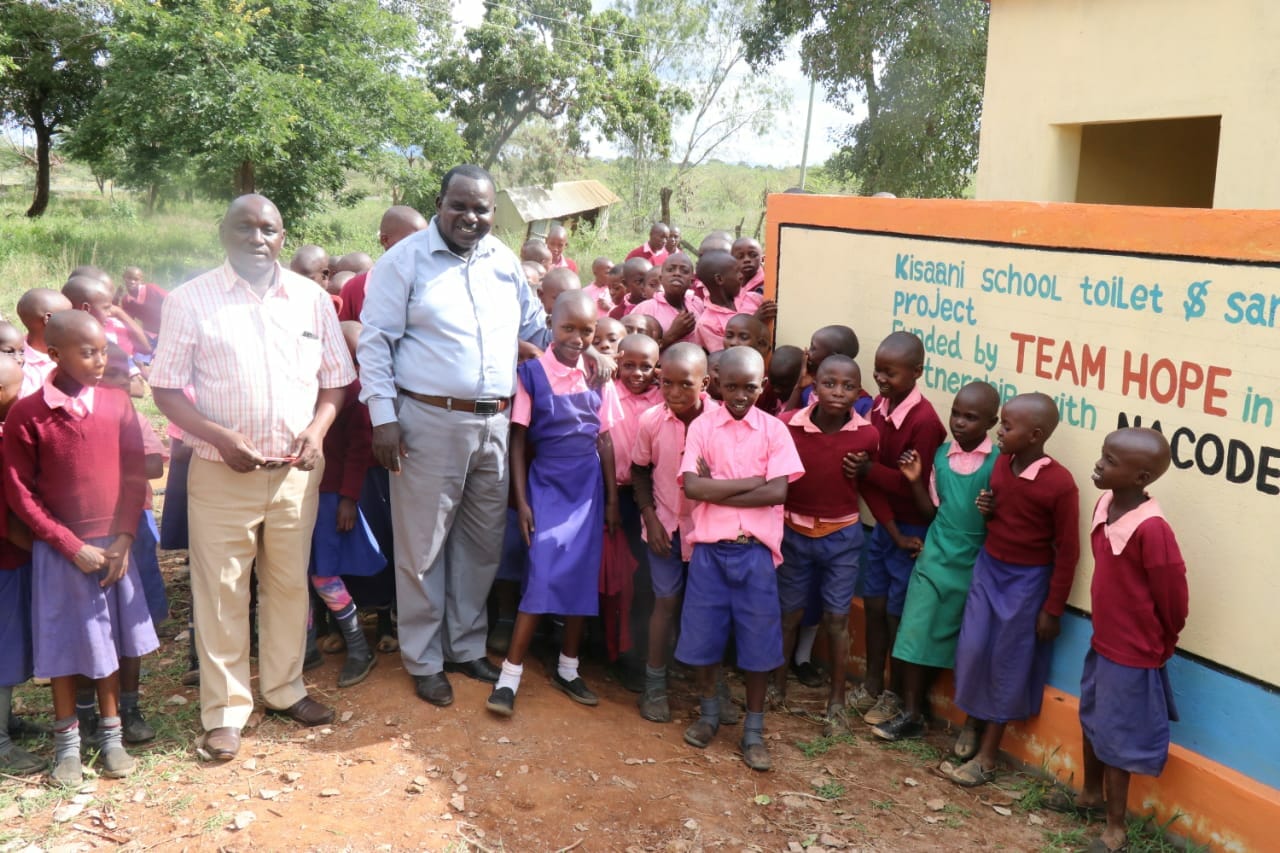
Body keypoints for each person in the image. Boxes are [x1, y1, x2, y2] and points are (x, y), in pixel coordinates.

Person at [150, 193, 355, 762]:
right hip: (221, 472)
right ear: (225, 232)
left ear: (282, 236)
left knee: (289, 585)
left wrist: (318, 431)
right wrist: (217, 437)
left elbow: (336, 379)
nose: (257, 237)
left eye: (268, 228)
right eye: (245, 227)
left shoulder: (312, 299)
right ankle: (224, 712)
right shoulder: (191, 300)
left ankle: (286, 689)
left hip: (295, 475)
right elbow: (165, 388)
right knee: (221, 592)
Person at [358, 165, 554, 708]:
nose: (471, 217)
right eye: (460, 206)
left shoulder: (503, 261)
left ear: (495, 212)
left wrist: (585, 351)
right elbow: (374, 344)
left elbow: (535, 327)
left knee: (480, 543)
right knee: (422, 546)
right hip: (426, 420)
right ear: (439, 203)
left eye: (482, 209)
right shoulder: (404, 262)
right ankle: (423, 659)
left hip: (496, 421)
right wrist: (382, 416)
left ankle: (464, 646)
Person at [4, 311, 155, 784]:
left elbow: (135, 475)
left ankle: (110, 737)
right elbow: (20, 494)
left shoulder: (116, 405)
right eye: (87, 352)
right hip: (61, 551)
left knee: (110, 643)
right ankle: (66, 744)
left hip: (115, 547)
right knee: (65, 646)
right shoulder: (28, 414)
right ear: (53, 354)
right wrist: (70, 546)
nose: (99, 361)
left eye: (103, 352)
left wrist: (126, 536)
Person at [485, 291, 622, 716]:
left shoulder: (598, 375)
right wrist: (522, 502)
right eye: (568, 328)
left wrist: (613, 499)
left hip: (587, 489)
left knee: (582, 578)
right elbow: (519, 440)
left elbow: (605, 439)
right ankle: (509, 676)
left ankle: (568, 667)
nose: (578, 339)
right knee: (542, 574)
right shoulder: (531, 375)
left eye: (587, 331)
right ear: (551, 325)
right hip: (547, 483)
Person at [676, 346, 804, 771]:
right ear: (715, 384)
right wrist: (753, 481)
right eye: (730, 386)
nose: (740, 395)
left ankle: (753, 731)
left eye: (750, 387)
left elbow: (778, 492)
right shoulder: (701, 428)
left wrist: (724, 485)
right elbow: (694, 489)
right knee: (705, 638)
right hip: (710, 552)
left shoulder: (773, 430)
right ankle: (709, 715)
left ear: (762, 387)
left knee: (758, 646)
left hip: (755, 555)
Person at [944, 392, 1080, 786]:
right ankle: (971, 718)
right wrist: (990, 509)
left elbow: (1067, 550)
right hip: (990, 567)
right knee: (972, 647)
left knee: (1006, 661)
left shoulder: (1060, 484)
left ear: (1035, 435)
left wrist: (1053, 608)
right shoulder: (1002, 464)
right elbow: (1005, 512)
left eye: (1006, 426)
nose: (998, 432)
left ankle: (988, 754)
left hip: (1026, 580)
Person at [1066, 428, 1187, 853]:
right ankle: (1089, 794)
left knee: (1117, 735)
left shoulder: (1153, 530)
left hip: (1134, 652)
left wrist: (1163, 639)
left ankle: (1115, 829)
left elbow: (1173, 597)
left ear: (1141, 477)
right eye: (1103, 455)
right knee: (1092, 715)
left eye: (1111, 461)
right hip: (1104, 639)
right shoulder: (1106, 504)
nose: (1100, 464)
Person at [871, 382, 1000, 742]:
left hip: (973, 560)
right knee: (914, 629)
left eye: (971, 417)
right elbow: (931, 511)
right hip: (935, 554)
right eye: (956, 413)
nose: (959, 422)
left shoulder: (999, 463)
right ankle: (911, 711)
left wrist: (993, 512)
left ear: (991, 421)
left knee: (959, 638)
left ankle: (953, 719)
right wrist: (914, 482)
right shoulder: (941, 456)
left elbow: (1001, 520)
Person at [776, 355, 892, 735]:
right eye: (829, 383)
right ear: (814, 385)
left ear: (860, 392)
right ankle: (774, 690)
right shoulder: (788, 426)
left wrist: (893, 529)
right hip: (793, 532)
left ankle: (836, 704)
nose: (838, 393)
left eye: (847, 387)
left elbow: (868, 486)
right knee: (788, 614)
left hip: (841, 538)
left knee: (837, 620)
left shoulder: (867, 435)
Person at [848, 332, 947, 724]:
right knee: (872, 604)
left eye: (891, 372)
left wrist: (872, 471)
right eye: (878, 371)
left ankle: (893, 691)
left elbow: (914, 487)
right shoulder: (875, 408)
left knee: (897, 613)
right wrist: (887, 529)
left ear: (917, 372)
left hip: (913, 530)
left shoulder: (925, 423)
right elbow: (868, 481)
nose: (881, 379)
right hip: (887, 527)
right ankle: (871, 682)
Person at [632, 343, 716, 723]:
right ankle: (654, 684)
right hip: (664, 527)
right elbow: (639, 470)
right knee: (665, 603)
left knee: (704, 608)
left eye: (686, 384)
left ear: (706, 383)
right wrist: (650, 518)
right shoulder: (651, 420)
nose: (676, 393)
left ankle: (711, 688)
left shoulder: (719, 423)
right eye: (667, 383)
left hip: (707, 532)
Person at [306, 324, 383, 689]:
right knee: (293, 575)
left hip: (329, 494)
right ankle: (304, 646)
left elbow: (359, 449)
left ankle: (357, 647)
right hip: (293, 491)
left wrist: (348, 498)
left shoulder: (353, 392)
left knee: (324, 574)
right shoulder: (299, 383)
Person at [0, 357, 41, 775]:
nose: (23, 397)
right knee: (4, 651)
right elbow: (10, 525)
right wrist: (51, 550)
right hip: (6, 563)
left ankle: (7, 720)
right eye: (17, 390)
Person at [337, 206, 430, 323]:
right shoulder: (355, 289)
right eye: (412, 241)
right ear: (385, 240)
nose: (421, 249)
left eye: (425, 241)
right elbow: (342, 334)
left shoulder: (432, 285)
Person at [63, 275, 152, 359]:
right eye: (106, 308)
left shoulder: (108, 323)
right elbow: (146, 349)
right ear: (86, 308)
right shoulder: (97, 336)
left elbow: (146, 349)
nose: (110, 313)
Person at [632, 253, 703, 348]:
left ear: (691, 282)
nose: (677, 273)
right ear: (661, 279)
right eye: (670, 270)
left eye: (684, 271)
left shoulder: (696, 303)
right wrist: (672, 335)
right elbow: (633, 349)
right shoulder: (645, 309)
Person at [16, 289, 73, 397]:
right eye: (69, 315)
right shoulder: (21, 366)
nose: (75, 320)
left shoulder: (73, 347)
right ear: (48, 318)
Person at [530, 268, 581, 350]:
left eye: (574, 300)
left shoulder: (579, 321)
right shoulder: (532, 318)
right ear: (541, 295)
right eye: (560, 299)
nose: (567, 306)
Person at [119, 267, 168, 341]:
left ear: (141, 281)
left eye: (136, 279)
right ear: (124, 278)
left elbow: (171, 300)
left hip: (167, 330)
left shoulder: (152, 289)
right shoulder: (127, 300)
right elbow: (128, 321)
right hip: (149, 334)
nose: (132, 282)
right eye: (129, 278)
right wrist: (116, 298)